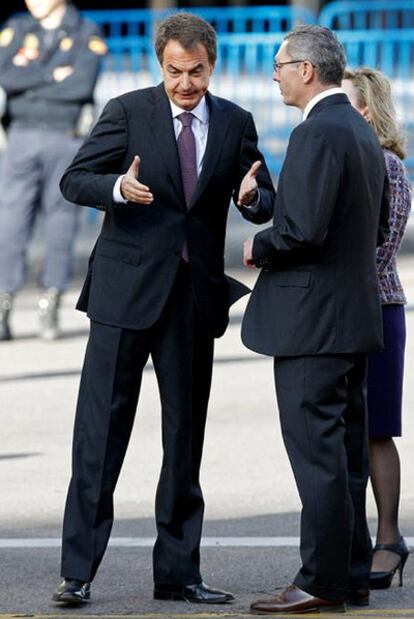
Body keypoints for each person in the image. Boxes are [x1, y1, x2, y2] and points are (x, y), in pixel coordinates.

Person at [52, 12, 275, 606]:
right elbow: (75, 179)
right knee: (99, 436)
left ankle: (178, 572)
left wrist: (254, 199)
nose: (185, 84)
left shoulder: (235, 122)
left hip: (191, 300)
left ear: (212, 65)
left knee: (185, 438)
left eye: (195, 72)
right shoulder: (127, 111)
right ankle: (77, 572)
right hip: (124, 295)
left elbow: (261, 195)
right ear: (161, 65)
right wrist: (116, 190)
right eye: (175, 72)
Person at [241, 25, 389, 614]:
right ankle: (350, 573)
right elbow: (372, 229)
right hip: (350, 317)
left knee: (318, 456)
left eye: (279, 65)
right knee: (345, 454)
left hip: (312, 322)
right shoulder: (357, 129)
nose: (274, 74)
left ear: (306, 69)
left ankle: (320, 581)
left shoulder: (317, 132)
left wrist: (260, 241)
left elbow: (301, 230)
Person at [342, 67, 411, 590]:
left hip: (378, 308)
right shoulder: (348, 156)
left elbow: (379, 249)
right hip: (345, 310)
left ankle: (388, 538)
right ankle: (354, 540)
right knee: (348, 431)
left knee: (377, 429)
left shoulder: (387, 164)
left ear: (365, 110)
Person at [0, 0, 105, 340]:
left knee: (61, 222)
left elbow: (81, 86)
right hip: (21, 136)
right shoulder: (16, 28)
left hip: (66, 138)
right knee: (10, 222)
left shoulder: (85, 30)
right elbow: (4, 75)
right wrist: (51, 75)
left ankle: (51, 303)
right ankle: (4, 303)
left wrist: (28, 81)